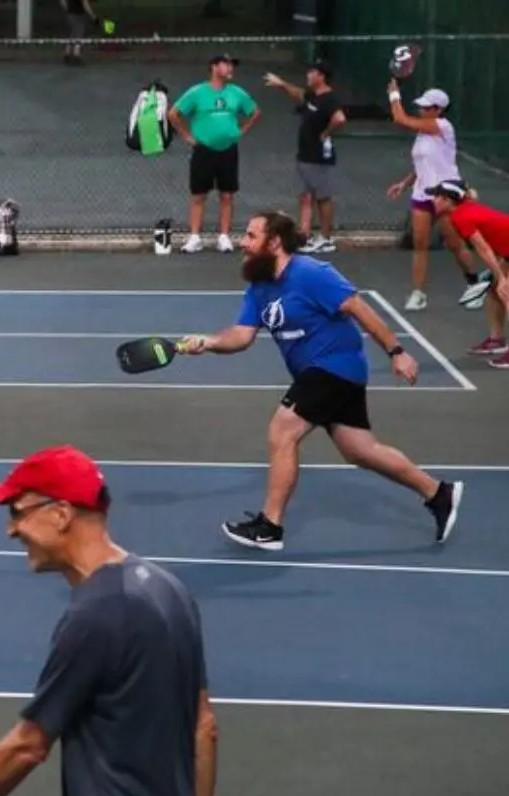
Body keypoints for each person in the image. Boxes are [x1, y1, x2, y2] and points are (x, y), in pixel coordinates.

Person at [177, 211, 464, 551]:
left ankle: (270, 525)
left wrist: (396, 351)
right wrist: (208, 343)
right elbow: (241, 335)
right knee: (359, 450)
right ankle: (437, 492)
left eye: (251, 236)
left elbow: (359, 308)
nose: (243, 242)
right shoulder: (260, 287)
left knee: (282, 429)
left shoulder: (310, 273)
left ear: (275, 242)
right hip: (321, 374)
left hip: (334, 366)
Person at [0, 445, 219, 796]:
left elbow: (28, 745)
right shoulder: (170, 589)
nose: (11, 530)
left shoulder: (97, 614)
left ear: (61, 514)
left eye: (17, 512)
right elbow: (204, 726)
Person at [385, 84, 489, 311]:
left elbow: (400, 118)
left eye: (425, 107)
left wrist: (393, 93)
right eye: (421, 107)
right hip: (422, 193)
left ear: (437, 109)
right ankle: (418, 293)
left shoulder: (442, 126)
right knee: (420, 244)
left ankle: (475, 285)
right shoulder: (423, 132)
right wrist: (404, 183)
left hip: (446, 195)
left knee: (454, 243)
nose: (421, 110)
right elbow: (423, 164)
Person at [427, 180, 509, 369]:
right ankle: (497, 340)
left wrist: (501, 278)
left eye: (437, 197)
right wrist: (498, 276)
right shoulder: (462, 207)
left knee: (507, 292)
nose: (433, 200)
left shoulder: (461, 217)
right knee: (493, 290)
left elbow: (484, 250)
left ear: (447, 200)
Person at [167, 53, 261, 254]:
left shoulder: (237, 93)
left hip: (228, 149)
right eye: (226, 65)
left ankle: (224, 237)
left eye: (231, 65)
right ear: (214, 67)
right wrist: (187, 136)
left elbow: (254, 112)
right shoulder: (197, 92)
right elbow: (174, 114)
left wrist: (240, 132)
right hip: (203, 150)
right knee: (199, 194)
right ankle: (194, 237)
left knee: (227, 194)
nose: (230, 69)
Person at [263, 59, 346, 254]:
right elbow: (299, 94)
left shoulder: (329, 98)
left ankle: (326, 239)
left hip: (318, 156)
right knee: (306, 195)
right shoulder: (313, 96)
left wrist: (326, 133)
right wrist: (282, 84)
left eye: (312, 72)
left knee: (323, 197)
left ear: (321, 76)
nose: (308, 75)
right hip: (305, 154)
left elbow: (340, 118)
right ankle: (305, 234)